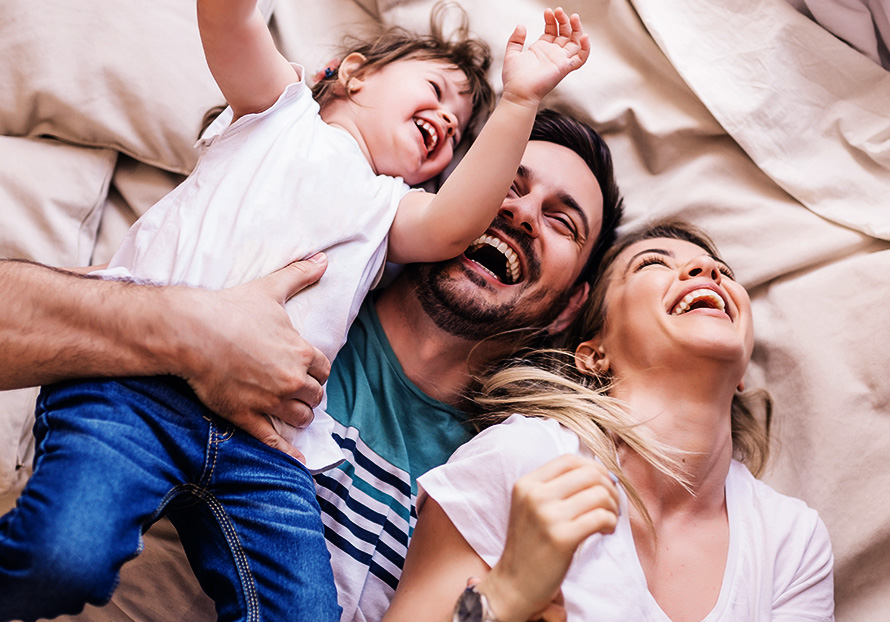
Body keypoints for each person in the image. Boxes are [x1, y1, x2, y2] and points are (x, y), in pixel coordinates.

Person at [0, 1, 596, 618]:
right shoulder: (277, 113)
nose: (446, 119)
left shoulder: (391, 210)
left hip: (265, 445)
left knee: (307, 610)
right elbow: (229, 24)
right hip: (138, 387)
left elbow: (457, 222)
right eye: (436, 90)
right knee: (63, 557)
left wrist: (520, 101)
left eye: (458, 130)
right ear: (353, 73)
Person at [382, 219, 836, 622]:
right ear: (593, 354)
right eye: (652, 263)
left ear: (742, 373)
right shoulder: (522, 461)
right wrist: (506, 596)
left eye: (723, 272)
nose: (708, 271)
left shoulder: (791, 542)